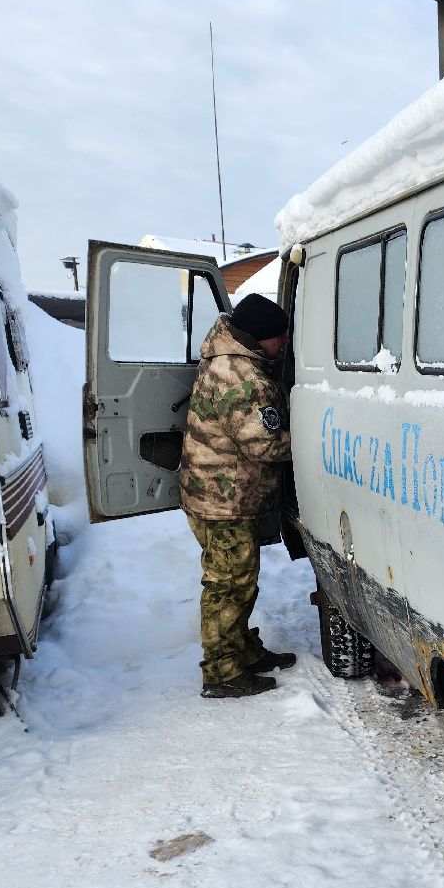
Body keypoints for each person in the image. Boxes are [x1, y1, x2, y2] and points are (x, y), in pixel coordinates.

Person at [179, 293, 297, 698]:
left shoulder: (231, 359)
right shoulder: (241, 376)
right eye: (279, 335)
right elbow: (264, 445)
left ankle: (241, 651)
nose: (284, 342)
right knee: (228, 586)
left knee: (239, 581)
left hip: (219, 495)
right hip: (223, 501)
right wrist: (313, 439)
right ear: (260, 336)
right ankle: (222, 671)